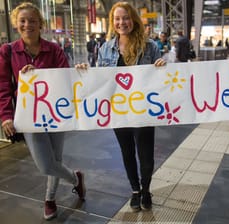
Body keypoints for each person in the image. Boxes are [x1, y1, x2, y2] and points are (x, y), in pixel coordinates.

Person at [77, 1, 166, 212]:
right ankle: (135, 190)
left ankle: (146, 189)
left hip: (143, 109)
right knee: (126, 152)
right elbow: (100, 80)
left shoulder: (150, 46)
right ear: (112, 22)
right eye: (117, 19)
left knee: (146, 155)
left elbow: (161, 81)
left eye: (125, 17)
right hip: (118, 112)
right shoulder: (105, 48)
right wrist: (84, 71)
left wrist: (162, 67)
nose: (121, 22)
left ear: (133, 19)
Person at [0, 2, 85, 220]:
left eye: (32, 21)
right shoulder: (8, 51)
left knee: (55, 158)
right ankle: (76, 179)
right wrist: (6, 116)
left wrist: (78, 73)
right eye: (23, 21)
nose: (28, 25)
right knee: (47, 165)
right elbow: (3, 86)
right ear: (16, 24)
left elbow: (65, 79)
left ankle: (50, 199)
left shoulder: (54, 49)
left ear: (41, 24)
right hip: (30, 116)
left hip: (56, 113)